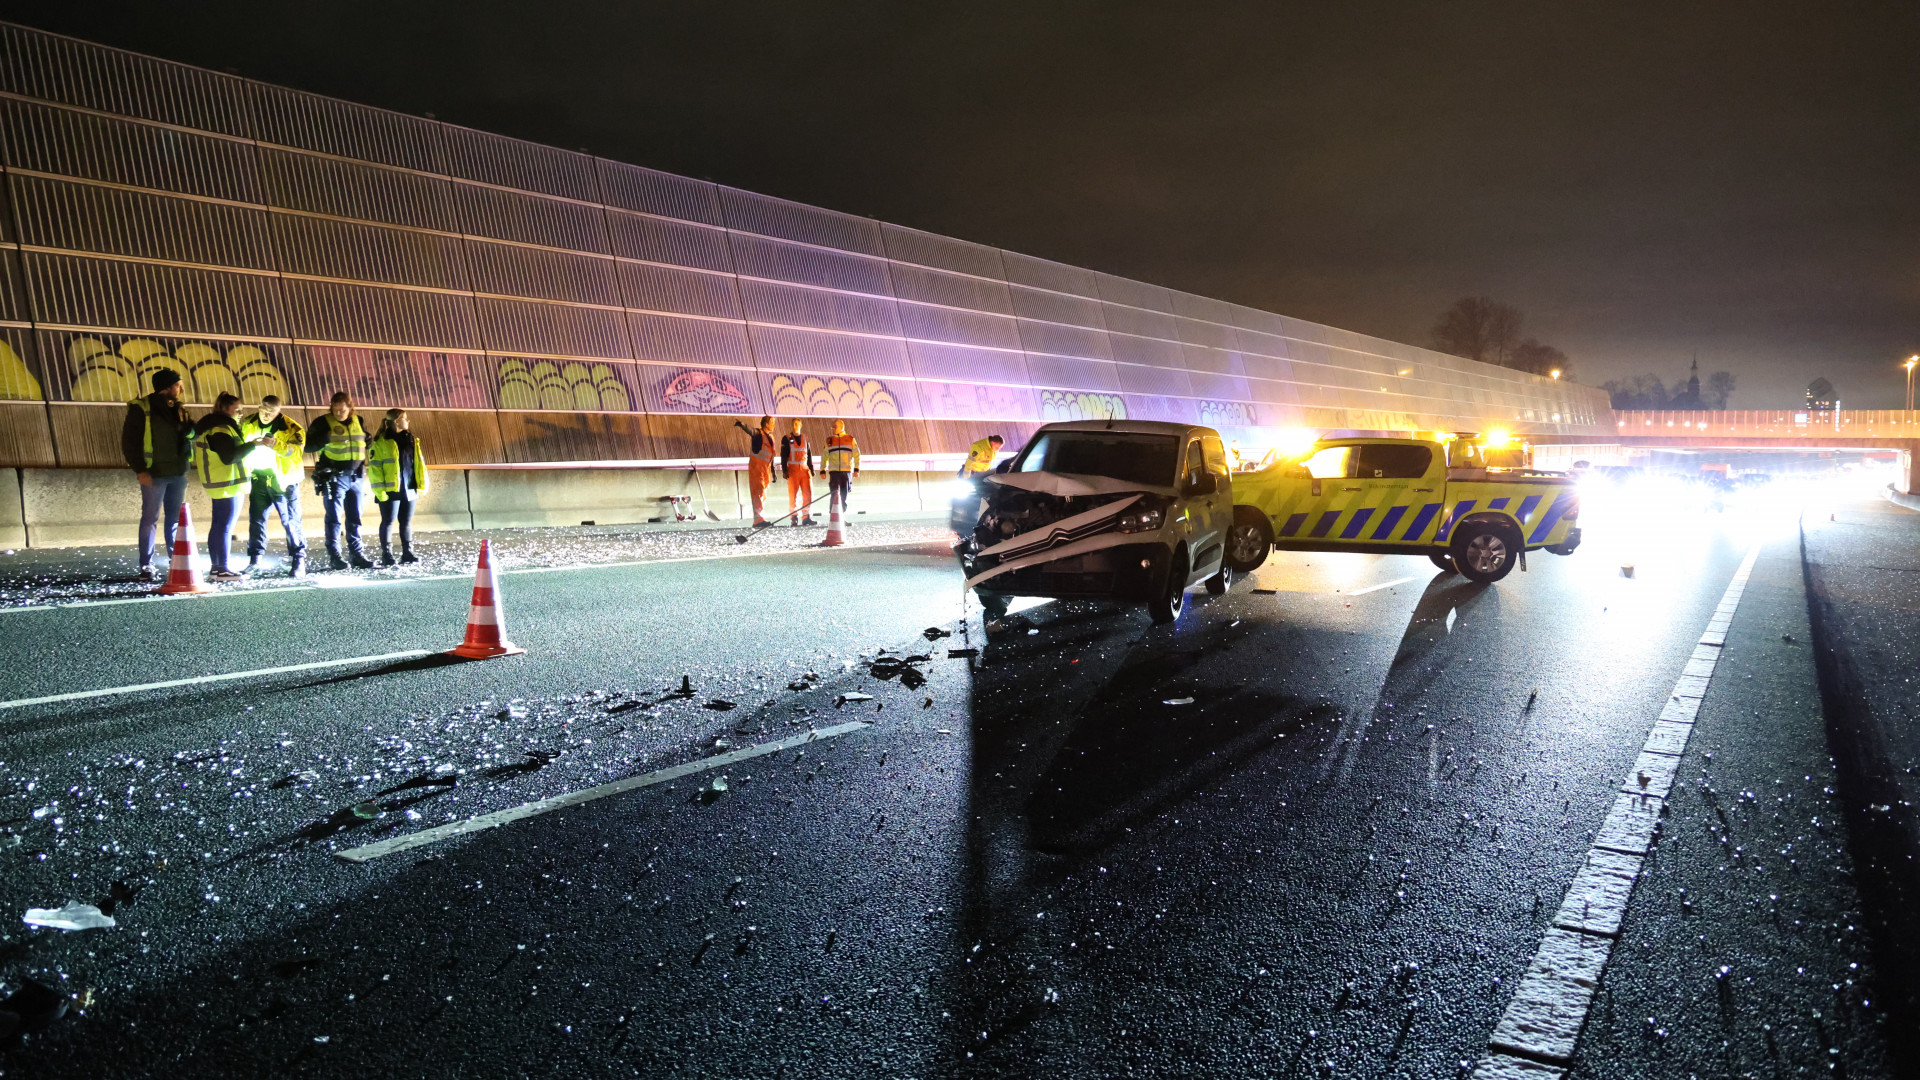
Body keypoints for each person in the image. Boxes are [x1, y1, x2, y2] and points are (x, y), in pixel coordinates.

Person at [122, 369, 196, 580]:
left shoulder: (180, 408)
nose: (181, 389)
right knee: (150, 518)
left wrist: (189, 429)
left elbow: (193, 432)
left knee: (174, 520)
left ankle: (177, 560)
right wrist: (140, 470)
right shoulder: (142, 408)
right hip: (154, 473)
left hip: (178, 472)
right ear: (167, 386)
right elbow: (129, 442)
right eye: (178, 384)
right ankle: (146, 565)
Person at [193, 393, 265, 582]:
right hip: (228, 485)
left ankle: (217, 567)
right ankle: (222, 568)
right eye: (237, 409)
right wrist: (253, 445)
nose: (241, 413)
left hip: (221, 484)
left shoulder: (214, 426)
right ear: (225, 409)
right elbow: (229, 457)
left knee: (218, 526)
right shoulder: (222, 429)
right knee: (225, 527)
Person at [239, 395, 308, 577]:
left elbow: (297, 452)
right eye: (264, 410)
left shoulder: (292, 428)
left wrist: (277, 445)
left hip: (283, 481)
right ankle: (255, 560)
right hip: (259, 476)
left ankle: (298, 559)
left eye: (271, 412)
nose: (266, 415)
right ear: (259, 406)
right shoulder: (248, 422)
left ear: (279, 411)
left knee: (290, 521)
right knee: (257, 519)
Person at [305, 391, 374, 569]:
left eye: (342, 410)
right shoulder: (322, 422)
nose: (338, 414)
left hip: (356, 476)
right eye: (335, 410)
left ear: (350, 408)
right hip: (334, 477)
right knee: (334, 518)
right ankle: (335, 555)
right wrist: (323, 438)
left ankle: (356, 554)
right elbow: (307, 445)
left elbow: (365, 441)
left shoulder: (359, 421)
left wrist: (369, 440)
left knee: (355, 517)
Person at [368, 407, 428, 566]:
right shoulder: (381, 442)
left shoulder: (411, 439)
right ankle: (386, 554)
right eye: (405, 418)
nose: (407, 421)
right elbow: (375, 469)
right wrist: (380, 491)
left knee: (406, 521)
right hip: (390, 489)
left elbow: (418, 464)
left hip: (409, 487)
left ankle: (407, 553)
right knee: (388, 521)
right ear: (396, 421)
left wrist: (420, 484)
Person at [732, 415, 776, 525]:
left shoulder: (771, 437)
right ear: (766, 424)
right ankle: (758, 519)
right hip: (757, 468)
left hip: (766, 469)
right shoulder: (759, 435)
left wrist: (773, 472)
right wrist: (742, 425)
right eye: (772, 422)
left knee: (763, 493)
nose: (774, 425)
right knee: (758, 492)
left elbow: (771, 456)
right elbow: (751, 431)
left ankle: (759, 517)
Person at [780, 418, 816, 526]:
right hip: (793, 470)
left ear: (801, 425)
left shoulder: (805, 438)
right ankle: (794, 517)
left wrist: (811, 468)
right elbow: (784, 455)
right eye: (794, 424)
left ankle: (806, 517)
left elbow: (809, 454)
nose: (796, 426)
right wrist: (784, 470)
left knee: (808, 494)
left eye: (797, 424)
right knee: (793, 495)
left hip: (805, 470)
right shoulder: (787, 439)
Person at [822, 419, 860, 515]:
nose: (833, 428)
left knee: (844, 494)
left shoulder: (850, 439)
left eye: (835, 426)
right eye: (833, 427)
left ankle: (841, 517)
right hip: (834, 472)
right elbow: (824, 456)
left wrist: (857, 468)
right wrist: (822, 469)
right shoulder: (829, 440)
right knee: (834, 495)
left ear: (841, 427)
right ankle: (833, 517)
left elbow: (857, 454)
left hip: (846, 471)